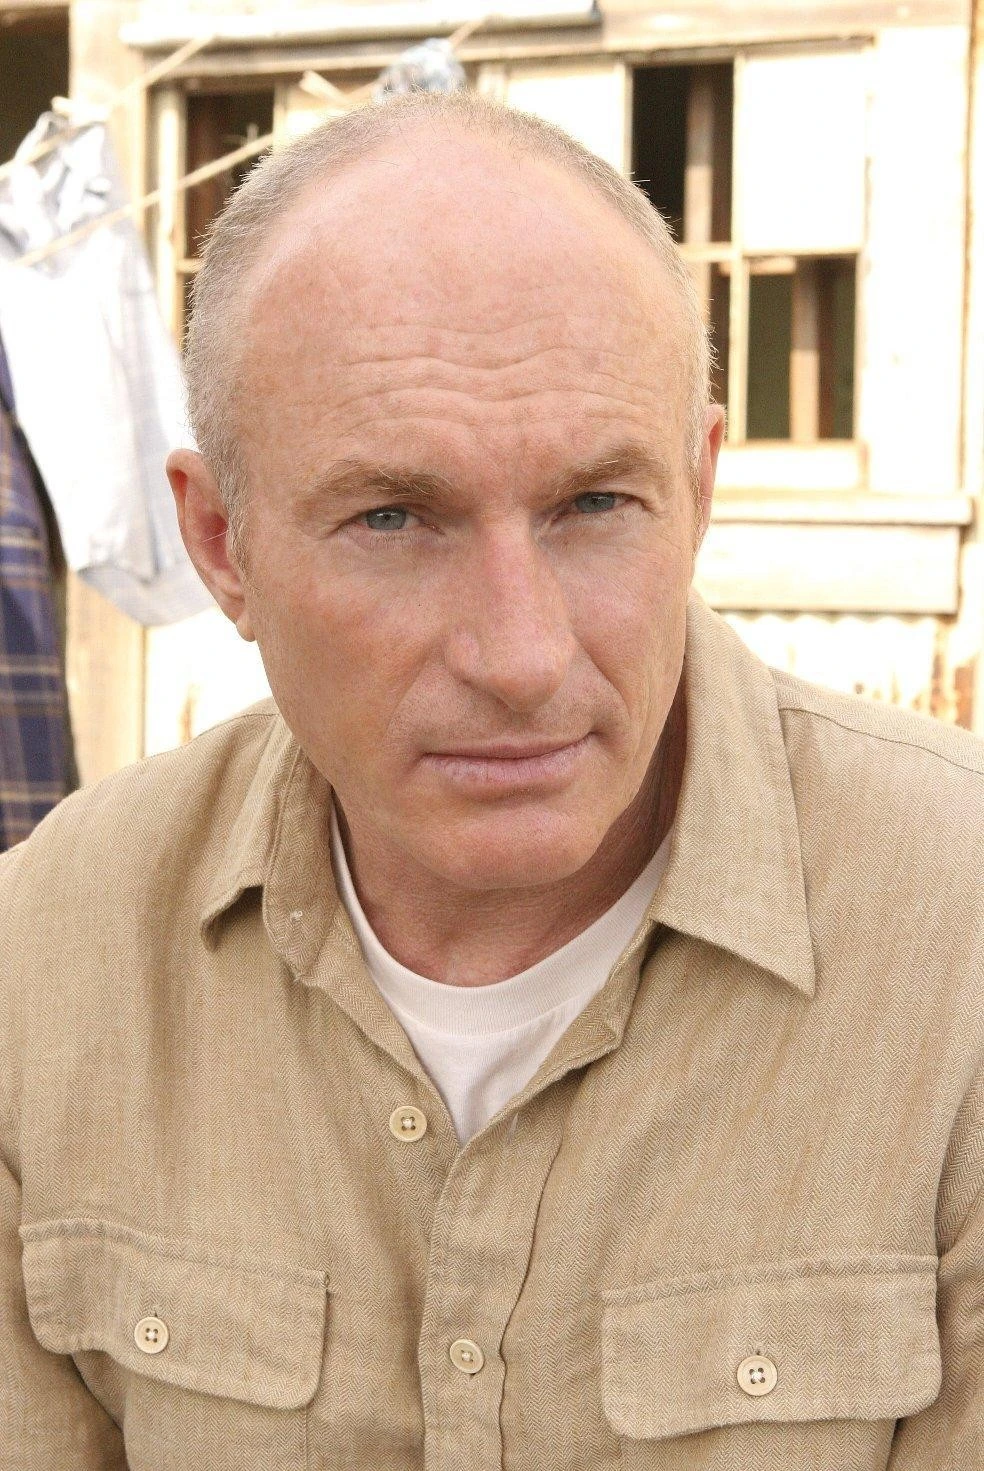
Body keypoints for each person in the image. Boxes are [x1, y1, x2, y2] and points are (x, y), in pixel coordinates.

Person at [0, 92, 981, 1471]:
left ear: (699, 491)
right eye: (393, 517)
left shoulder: (957, 943)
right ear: (222, 544)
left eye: (596, 505)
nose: (520, 655)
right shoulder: (48, 957)